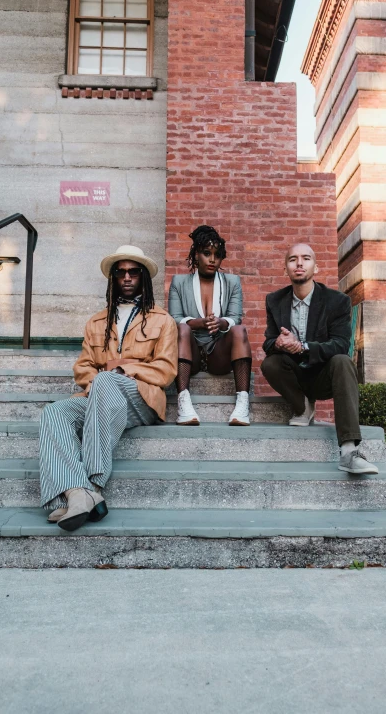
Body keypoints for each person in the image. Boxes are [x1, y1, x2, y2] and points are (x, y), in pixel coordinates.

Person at [39, 245, 178, 532]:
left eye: (133, 271)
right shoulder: (96, 322)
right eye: (120, 272)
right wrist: (101, 379)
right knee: (55, 412)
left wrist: (121, 369)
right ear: (113, 278)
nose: (127, 277)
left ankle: (92, 483)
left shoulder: (163, 320)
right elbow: (83, 367)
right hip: (101, 394)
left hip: (141, 399)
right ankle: (79, 493)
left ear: (143, 277)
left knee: (105, 379)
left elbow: (165, 371)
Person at [261, 243, 379, 475]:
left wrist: (301, 346)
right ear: (285, 268)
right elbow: (268, 342)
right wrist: (278, 343)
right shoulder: (275, 300)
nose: (299, 263)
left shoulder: (337, 301)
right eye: (293, 259)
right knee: (270, 363)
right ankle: (303, 406)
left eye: (306, 258)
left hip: (325, 374)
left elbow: (340, 344)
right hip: (295, 376)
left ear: (316, 267)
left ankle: (348, 451)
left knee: (343, 360)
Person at [168, 225, 252, 426]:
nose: (212, 259)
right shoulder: (179, 282)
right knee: (182, 328)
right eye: (207, 253)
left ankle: (242, 403)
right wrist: (200, 323)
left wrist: (221, 322)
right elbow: (174, 318)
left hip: (219, 354)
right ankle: (184, 401)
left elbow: (235, 318)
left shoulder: (232, 282)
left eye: (217, 255)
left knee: (239, 330)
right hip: (191, 353)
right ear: (196, 255)